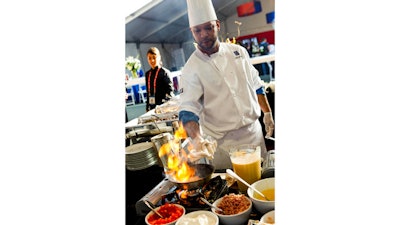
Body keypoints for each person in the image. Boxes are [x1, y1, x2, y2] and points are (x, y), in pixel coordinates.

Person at [178, 0, 275, 170]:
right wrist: (197, 139)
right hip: (223, 146)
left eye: (208, 27)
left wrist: (267, 112)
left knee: (264, 187)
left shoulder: (238, 52)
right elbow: (187, 111)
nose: (203, 35)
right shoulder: (191, 69)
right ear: (191, 32)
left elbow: (256, 84)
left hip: (254, 135)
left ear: (217, 25)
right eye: (197, 30)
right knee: (232, 194)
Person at [144, 47, 174, 111]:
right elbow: (148, 92)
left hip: (163, 106)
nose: (152, 60)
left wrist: (165, 105)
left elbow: (170, 91)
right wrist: (147, 107)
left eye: (154, 58)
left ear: (159, 57)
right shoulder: (147, 74)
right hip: (152, 106)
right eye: (149, 58)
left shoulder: (164, 72)